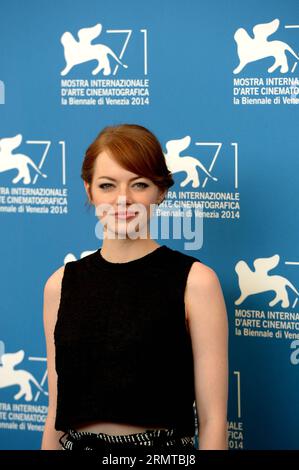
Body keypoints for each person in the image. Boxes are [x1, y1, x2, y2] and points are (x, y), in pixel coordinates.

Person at [41, 124, 228, 452]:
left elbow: (213, 422)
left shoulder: (196, 282)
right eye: (107, 185)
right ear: (89, 191)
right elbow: (55, 413)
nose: (123, 199)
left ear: (161, 191)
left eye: (139, 184)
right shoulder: (60, 285)